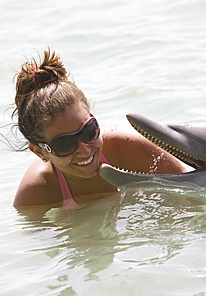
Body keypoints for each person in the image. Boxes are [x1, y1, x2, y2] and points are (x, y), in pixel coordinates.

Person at [12, 49, 186, 211]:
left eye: (88, 130)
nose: (85, 149)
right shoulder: (36, 193)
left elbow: (192, 188)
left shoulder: (129, 147)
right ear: (40, 152)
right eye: (65, 144)